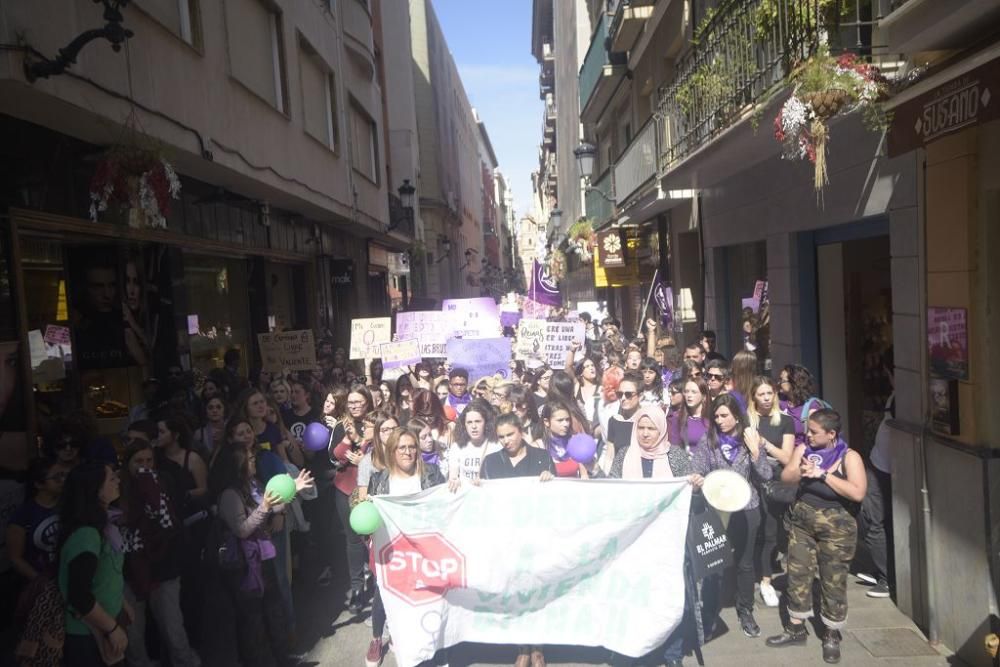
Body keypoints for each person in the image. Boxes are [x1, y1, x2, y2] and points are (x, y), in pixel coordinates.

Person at [766, 409, 867, 664]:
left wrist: (823, 475)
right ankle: (796, 627)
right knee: (798, 573)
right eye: (807, 430)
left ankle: (831, 633)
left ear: (831, 434)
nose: (808, 435)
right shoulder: (804, 450)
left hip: (837, 525)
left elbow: (857, 493)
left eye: (814, 432)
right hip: (803, 520)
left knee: (833, 579)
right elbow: (786, 477)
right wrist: (801, 469)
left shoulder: (849, 457)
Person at [605, 406, 703, 667]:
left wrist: (694, 487)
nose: (646, 434)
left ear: (661, 430)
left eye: (652, 429)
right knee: (634, 598)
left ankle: (672, 654)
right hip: (632, 543)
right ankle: (633, 648)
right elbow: (611, 490)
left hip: (668, 543)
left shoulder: (677, 457)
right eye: (641, 428)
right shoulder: (625, 455)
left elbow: (689, 499)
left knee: (669, 599)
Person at [691, 394, 772, 638]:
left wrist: (756, 452)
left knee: (745, 564)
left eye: (724, 415)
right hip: (715, 510)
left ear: (737, 416)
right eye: (716, 416)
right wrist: (697, 480)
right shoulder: (709, 440)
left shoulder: (749, 439)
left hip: (747, 510)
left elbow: (766, 475)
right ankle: (708, 614)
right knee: (713, 564)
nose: (719, 420)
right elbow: (697, 469)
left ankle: (745, 610)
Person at [208, 445, 297, 667]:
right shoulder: (230, 494)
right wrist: (264, 507)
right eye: (248, 459)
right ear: (236, 466)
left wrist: (293, 489)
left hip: (263, 556)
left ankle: (283, 658)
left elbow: (272, 509)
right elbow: (242, 529)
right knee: (253, 620)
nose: (253, 462)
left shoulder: (254, 484)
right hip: (244, 566)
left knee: (273, 610)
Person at [365, 428, 446, 667]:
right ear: (392, 451)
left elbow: (442, 507)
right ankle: (377, 638)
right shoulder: (379, 479)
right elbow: (367, 511)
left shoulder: (431, 473)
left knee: (425, 598)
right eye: (402, 447)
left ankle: (430, 647)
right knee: (385, 594)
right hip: (390, 550)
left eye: (412, 447)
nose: (408, 452)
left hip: (423, 549)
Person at [118, 440, 200, 667]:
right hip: (130, 570)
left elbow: (172, 523)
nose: (144, 466)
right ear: (127, 464)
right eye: (138, 461)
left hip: (164, 567)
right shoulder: (117, 487)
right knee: (134, 634)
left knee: (173, 629)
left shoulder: (164, 481)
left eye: (149, 460)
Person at [58, 462, 131, 666]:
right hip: (88, 633)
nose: (118, 481)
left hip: (102, 624)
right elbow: (79, 595)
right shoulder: (87, 535)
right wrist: (112, 628)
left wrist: (123, 604)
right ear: (95, 490)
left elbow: (105, 576)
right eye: (111, 479)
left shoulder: (104, 526)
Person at [747, 375, 796, 608]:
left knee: (774, 530)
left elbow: (787, 458)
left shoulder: (785, 421)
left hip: (776, 480)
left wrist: (765, 444)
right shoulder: (748, 421)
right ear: (754, 397)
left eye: (770, 393)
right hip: (752, 479)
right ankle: (757, 577)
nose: (766, 398)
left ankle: (768, 579)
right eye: (761, 394)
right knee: (756, 529)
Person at [481, 412, 555, 481]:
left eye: (510, 434)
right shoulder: (490, 462)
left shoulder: (543, 457)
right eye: (501, 437)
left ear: (521, 432)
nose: (506, 441)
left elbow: (555, 490)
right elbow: (483, 492)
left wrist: (549, 478)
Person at [447, 399, 500, 487]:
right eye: (469, 422)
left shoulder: (496, 445)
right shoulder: (457, 447)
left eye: (478, 421)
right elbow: (453, 476)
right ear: (464, 424)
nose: (474, 426)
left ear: (486, 422)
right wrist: (454, 480)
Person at [669, 377, 711, 452]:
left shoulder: (712, 420)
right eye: (686, 391)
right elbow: (674, 449)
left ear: (704, 396)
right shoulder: (676, 418)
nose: (689, 395)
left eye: (694, 392)